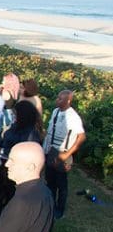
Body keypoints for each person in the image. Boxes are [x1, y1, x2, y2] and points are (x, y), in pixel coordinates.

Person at [0, 100, 42, 225]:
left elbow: (25, 151)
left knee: (11, 193)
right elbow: (6, 138)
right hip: (5, 164)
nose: (14, 117)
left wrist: (2, 150)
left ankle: (9, 219)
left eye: (16, 115)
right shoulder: (15, 126)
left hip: (19, 168)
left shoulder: (31, 132)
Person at [43, 90, 85, 220]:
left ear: (68, 101)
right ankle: (50, 206)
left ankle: (59, 210)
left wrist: (67, 155)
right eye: (57, 97)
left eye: (60, 99)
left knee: (61, 184)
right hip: (50, 151)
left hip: (62, 153)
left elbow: (81, 137)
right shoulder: (55, 112)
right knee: (50, 181)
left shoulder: (73, 117)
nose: (57, 100)